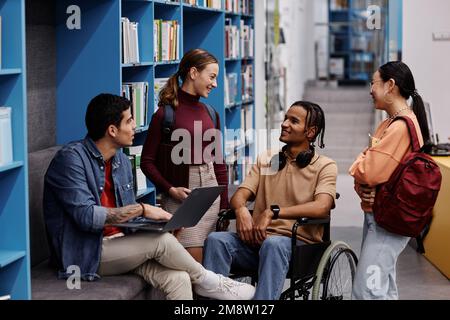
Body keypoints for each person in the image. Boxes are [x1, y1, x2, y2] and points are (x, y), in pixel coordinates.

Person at [43, 93, 255, 300]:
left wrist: (159, 224)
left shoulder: (121, 162)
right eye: (130, 120)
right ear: (112, 130)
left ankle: (204, 281)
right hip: (86, 253)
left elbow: (127, 217)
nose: (135, 126)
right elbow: (86, 217)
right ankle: (208, 280)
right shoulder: (70, 160)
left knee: (179, 278)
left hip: (123, 244)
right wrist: (143, 209)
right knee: (160, 243)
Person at [203, 101, 338, 300]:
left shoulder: (325, 166)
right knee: (216, 240)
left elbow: (322, 206)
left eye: (294, 121)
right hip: (256, 243)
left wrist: (272, 212)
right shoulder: (269, 160)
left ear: (310, 132)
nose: (284, 124)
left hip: (298, 248)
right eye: (285, 118)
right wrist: (240, 210)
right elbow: (240, 195)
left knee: (273, 244)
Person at [349, 61, 430, 300]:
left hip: (388, 223)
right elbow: (368, 174)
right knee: (382, 287)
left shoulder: (400, 127)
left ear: (390, 85)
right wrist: (365, 174)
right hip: (381, 217)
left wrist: (361, 165)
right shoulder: (391, 123)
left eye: (374, 83)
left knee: (367, 290)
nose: (370, 89)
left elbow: (368, 172)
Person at [141, 49, 229, 263]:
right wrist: (170, 189)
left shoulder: (211, 113)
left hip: (211, 191)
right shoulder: (165, 114)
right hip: (182, 196)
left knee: (212, 263)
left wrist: (225, 207)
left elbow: (219, 164)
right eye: (212, 76)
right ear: (193, 73)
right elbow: (147, 162)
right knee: (194, 268)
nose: (215, 84)